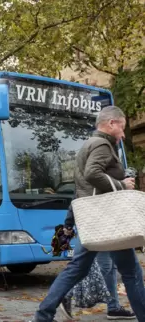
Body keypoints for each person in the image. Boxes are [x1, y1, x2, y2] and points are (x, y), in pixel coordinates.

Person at [31, 106, 145, 321]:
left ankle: (42, 315)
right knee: (132, 273)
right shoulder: (103, 144)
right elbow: (93, 173)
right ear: (111, 123)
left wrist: (72, 219)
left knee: (75, 269)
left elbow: (82, 184)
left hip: (92, 219)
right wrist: (121, 184)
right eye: (122, 128)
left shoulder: (87, 145)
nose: (122, 135)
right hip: (108, 220)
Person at [59, 207, 135, 320]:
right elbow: (78, 198)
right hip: (97, 225)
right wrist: (69, 223)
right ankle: (65, 295)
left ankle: (113, 307)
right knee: (103, 268)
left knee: (109, 268)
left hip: (105, 225)